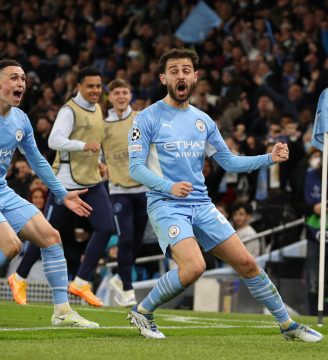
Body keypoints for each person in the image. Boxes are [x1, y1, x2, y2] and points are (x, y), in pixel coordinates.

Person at [127, 48, 322, 342]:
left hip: (201, 204)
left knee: (247, 264)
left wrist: (269, 158)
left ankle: (287, 325)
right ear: (163, 77)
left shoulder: (203, 121)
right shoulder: (147, 118)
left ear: (195, 77)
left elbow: (229, 162)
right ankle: (143, 311)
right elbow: (135, 169)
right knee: (194, 266)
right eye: (174, 70)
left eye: (185, 70)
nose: (180, 75)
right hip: (166, 203)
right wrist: (169, 187)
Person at [0, 59, 98, 328]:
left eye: (23, 79)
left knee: (51, 237)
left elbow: (37, 159)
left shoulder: (20, 120)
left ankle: (62, 312)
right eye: (14, 78)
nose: (21, 84)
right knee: (11, 245)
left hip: (2, 191)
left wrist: (62, 193)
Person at [8, 66, 115, 307]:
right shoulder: (69, 110)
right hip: (66, 186)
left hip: (91, 182)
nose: (96, 90)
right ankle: (19, 276)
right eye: (90, 86)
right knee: (47, 235)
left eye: (98, 86)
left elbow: (91, 145)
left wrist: (97, 162)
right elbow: (54, 140)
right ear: (78, 86)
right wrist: (83, 146)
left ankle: (80, 282)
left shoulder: (98, 109)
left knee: (106, 226)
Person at [101, 79, 148, 307]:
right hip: (118, 190)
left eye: (125, 92)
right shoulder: (103, 125)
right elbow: (96, 155)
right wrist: (99, 166)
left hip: (143, 188)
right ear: (110, 97)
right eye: (116, 93)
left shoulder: (140, 119)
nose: (121, 96)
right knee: (125, 238)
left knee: (137, 240)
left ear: (130, 95)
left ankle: (121, 278)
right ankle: (128, 289)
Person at [303, 148, 328, 315]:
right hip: (314, 232)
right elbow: (300, 203)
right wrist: (313, 207)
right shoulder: (310, 175)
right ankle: (314, 314)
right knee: (313, 278)